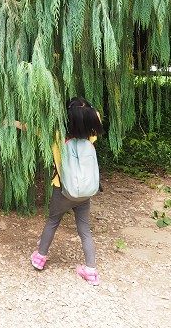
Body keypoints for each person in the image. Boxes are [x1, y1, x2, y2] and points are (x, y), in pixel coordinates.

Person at [28, 96, 103, 285]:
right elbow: (97, 117)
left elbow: (33, 129)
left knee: (53, 221)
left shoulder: (58, 138)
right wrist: (87, 109)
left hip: (62, 190)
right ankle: (91, 271)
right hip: (84, 193)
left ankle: (40, 258)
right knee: (85, 230)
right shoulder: (91, 137)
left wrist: (14, 123)